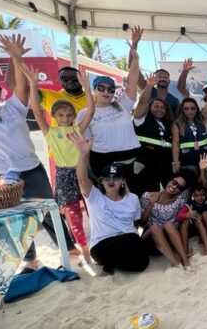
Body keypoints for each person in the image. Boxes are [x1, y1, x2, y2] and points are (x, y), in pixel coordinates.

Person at [0, 34, 78, 268]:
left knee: (48, 210)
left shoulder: (12, 108)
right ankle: (29, 258)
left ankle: (68, 248)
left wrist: (15, 57)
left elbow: (20, 86)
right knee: (11, 219)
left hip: (29, 168)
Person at [23, 63, 95, 264]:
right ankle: (84, 249)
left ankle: (96, 241)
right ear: (54, 116)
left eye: (69, 115)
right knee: (73, 215)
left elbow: (90, 111)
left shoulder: (78, 129)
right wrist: (33, 83)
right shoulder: (50, 132)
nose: (66, 118)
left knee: (93, 209)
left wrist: (87, 89)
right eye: (61, 115)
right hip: (64, 175)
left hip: (84, 172)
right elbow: (36, 112)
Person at [67, 133, 149, 276]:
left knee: (142, 263)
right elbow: (81, 179)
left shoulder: (133, 198)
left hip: (128, 243)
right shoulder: (95, 197)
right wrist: (83, 153)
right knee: (129, 237)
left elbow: (135, 225)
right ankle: (106, 270)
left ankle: (116, 262)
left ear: (123, 181)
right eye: (107, 178)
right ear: (101, 181)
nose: (111, 182)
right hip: (102, 245)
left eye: (116, 178)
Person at [77, 42, 142, 192]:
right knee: (109, 198)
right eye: (101, 88)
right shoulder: (85, 113)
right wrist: (84, 171)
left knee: (133, 195)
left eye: (110, 89)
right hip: (102, 160)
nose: (106, 92)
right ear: (94, 90)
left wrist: (136, 60)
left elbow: (132, 83)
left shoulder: (122, 105)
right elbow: (85, 144)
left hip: (131, 158)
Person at [140, 172, 194, 269]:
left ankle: (185, 262)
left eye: (179, 187)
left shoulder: (180, 200)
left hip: (170, 240)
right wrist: (150, 206)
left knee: (169, 225)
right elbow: (141, 223)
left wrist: (203, 171)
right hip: (150, 239)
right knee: (155, 228)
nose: (174, 187)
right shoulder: (148, 196)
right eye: (174, 182)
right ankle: (176, 264)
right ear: (169, 180)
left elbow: (199, 185)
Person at [133, 74, 175, 193]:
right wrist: (149, 86)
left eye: (163, 107)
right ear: (150, 107)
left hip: (164, 166)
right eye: (156, 106)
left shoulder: (167, 124)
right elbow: (142, 103)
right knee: (147, 196)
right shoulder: (141, 119)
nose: (159, 109)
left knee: (168, 195)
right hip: (145, 166)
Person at [171, 74, 207, 176]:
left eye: (193, 108)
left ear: (197, 109)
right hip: (187, 162)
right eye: (186, 109)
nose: (190, 111)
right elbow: (176, 143)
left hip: (206, 160)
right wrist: (175, 162)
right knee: (190, 189)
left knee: (203, 188)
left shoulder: (202, 119)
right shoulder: (177, 124)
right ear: (182, 110)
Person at [177, 178, 207, 257]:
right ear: (192, 195)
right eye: (196, 195)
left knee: (205, 214)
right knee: (189, 220)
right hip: (196, 228)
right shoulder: (190, 204)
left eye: (202, 195)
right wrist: (187, 214)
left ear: (206, 194)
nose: (200, 198)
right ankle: (186, 250)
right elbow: (179, 216)